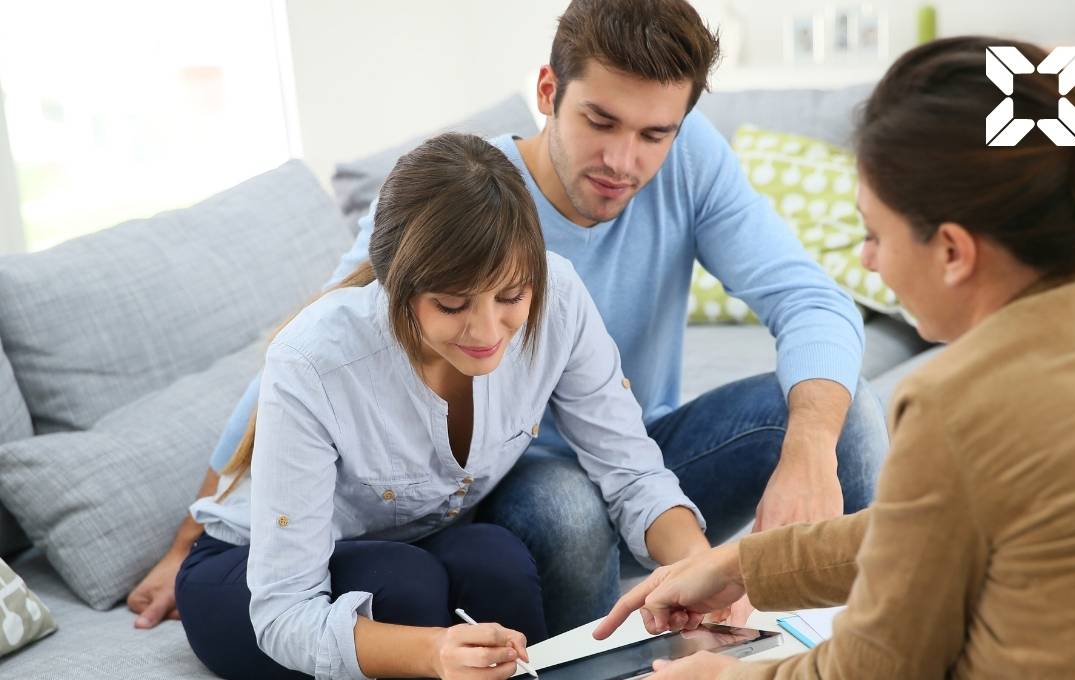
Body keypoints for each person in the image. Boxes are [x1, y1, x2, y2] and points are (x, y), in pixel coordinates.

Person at [130, 0, 889, 635]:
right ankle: (602, 656)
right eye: (601, 120)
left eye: (654, 134)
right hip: (505, 471)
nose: (624, 161)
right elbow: (311, 353)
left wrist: (810, 447)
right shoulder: (462, 201)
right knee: (566, 502)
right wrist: (189, 539)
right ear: (548, 89)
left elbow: (810, 299)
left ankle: (815, 644)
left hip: (634, 443)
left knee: (843, 415)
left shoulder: (691, 163)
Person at [593, 36, 1075, 679]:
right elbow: (924, 532)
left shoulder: (955, 404)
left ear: (954, 251)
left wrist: (722, 677)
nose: (866, 261)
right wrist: (741, 564)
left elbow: (872, 668)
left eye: (874, 234)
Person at [175, 133, 709, 679]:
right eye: (453, 305)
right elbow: (284, 612)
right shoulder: (313, 359)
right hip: (250, 572)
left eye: (511, 296)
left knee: (497, 563)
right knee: (405, 585)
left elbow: (631, 468)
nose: (486, 331)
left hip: (409, 545)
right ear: (395, 284)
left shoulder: (561, 298)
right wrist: (433, 653)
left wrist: (702, 571)